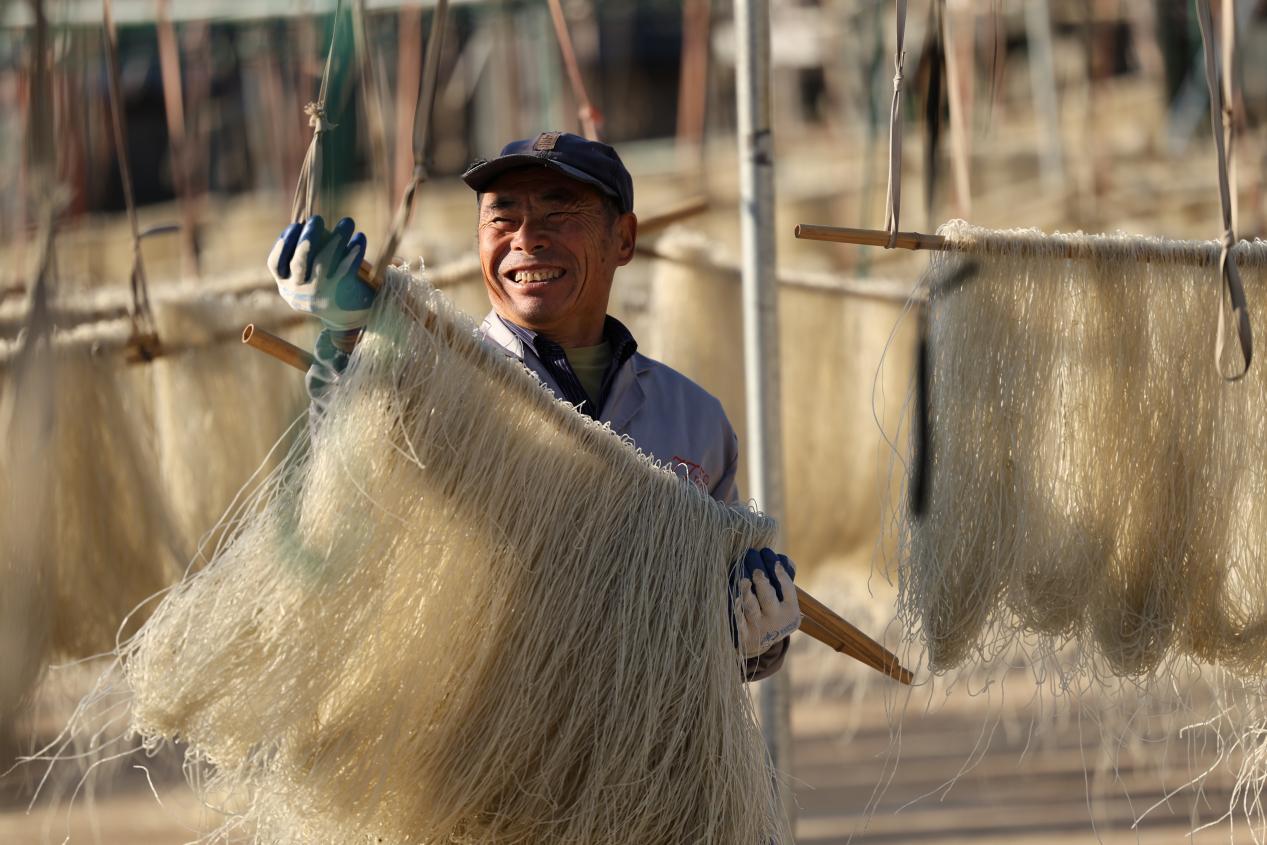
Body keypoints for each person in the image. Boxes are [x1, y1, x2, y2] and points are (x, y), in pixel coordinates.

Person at [267, 131, 799, 678]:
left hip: (644, 759)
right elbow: (343, 477)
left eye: (559, 212)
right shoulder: (434, 385)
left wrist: (758, 640)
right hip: (483, 749)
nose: (526, 238)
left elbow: (724, 632)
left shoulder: (696, 418)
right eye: (502, 217)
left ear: (624, 238)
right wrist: (348, 339)